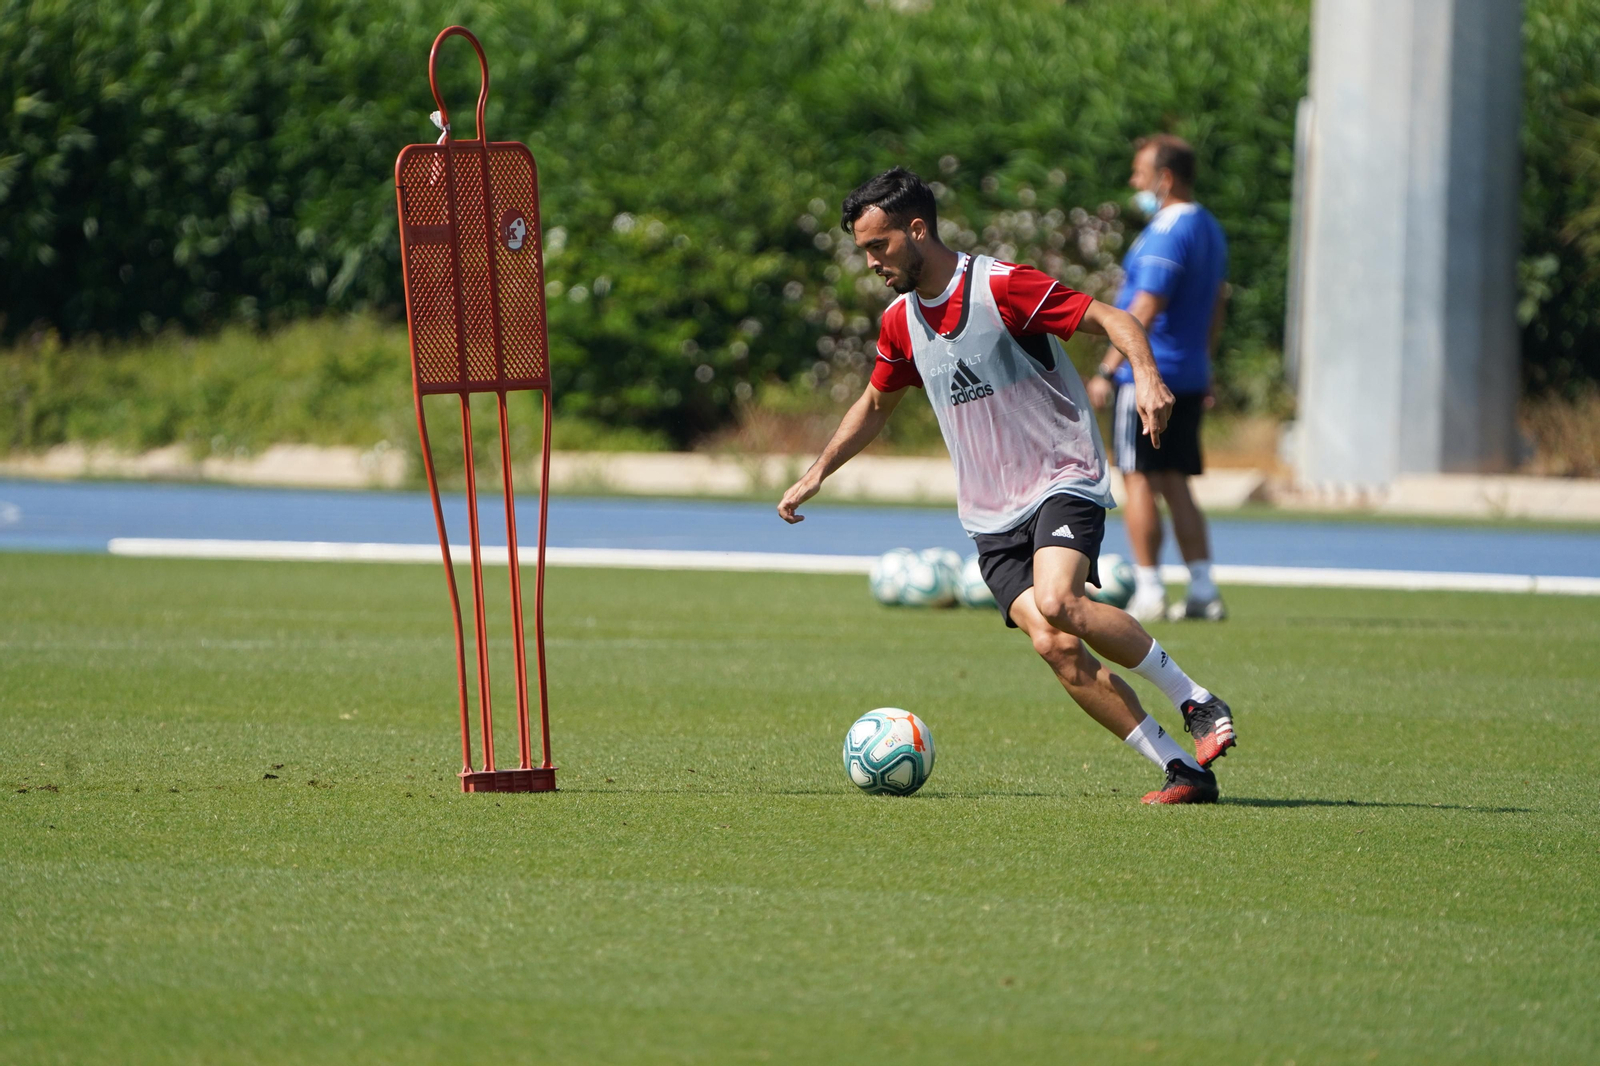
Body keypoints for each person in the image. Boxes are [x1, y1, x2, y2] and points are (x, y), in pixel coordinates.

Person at [778, 168, 1237, 803]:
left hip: (1062, 475)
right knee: (1056, 647)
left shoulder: (1001, 287)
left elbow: (1115, 319)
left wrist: (1149, 377)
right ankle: (1181, 768)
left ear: (917, 230)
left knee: (1058, 604)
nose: (871, 262)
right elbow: (877, 405)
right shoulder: (899, 323)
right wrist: (817, 472)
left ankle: (1197, 701)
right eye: (863, 250)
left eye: (878, 246)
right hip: (990, 514)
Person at [1086, 134, 1231, 622]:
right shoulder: (1209, 227)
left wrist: (1108, 368)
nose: (1134, 181)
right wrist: (1205, 366)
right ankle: (1204, 588)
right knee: (1177, 483)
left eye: (1140, 172)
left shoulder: (1167, 231)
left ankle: (1149, 588)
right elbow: (1218, 302)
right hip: (1188, 374)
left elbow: (1143, 306)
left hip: (1149, 377)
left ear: (1165, 178)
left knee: (1139, 479)